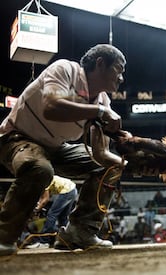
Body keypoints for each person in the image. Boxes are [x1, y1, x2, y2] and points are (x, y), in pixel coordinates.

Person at [0, 44, 130, 256]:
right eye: (119, 69)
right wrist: (100, 112)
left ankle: (79, 232)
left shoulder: (103, 100)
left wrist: (126, 163)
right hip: (16, 138)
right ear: (100, 63)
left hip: (55, 147)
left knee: (109, 167)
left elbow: (100, 154)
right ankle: (4, 236)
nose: (121, 77)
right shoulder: (65, 69)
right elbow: (51, 107)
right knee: (39, 168)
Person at [25, 175, 78, 249]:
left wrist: (36, 210)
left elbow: (45, 199)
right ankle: (66, 240)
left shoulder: (42, 180)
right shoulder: (43, 178)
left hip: (67, 191)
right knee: (63, 217)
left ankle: (43, 242)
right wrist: (39, 206)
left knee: (51, 215)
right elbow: (43, 198)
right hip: (72, 189)